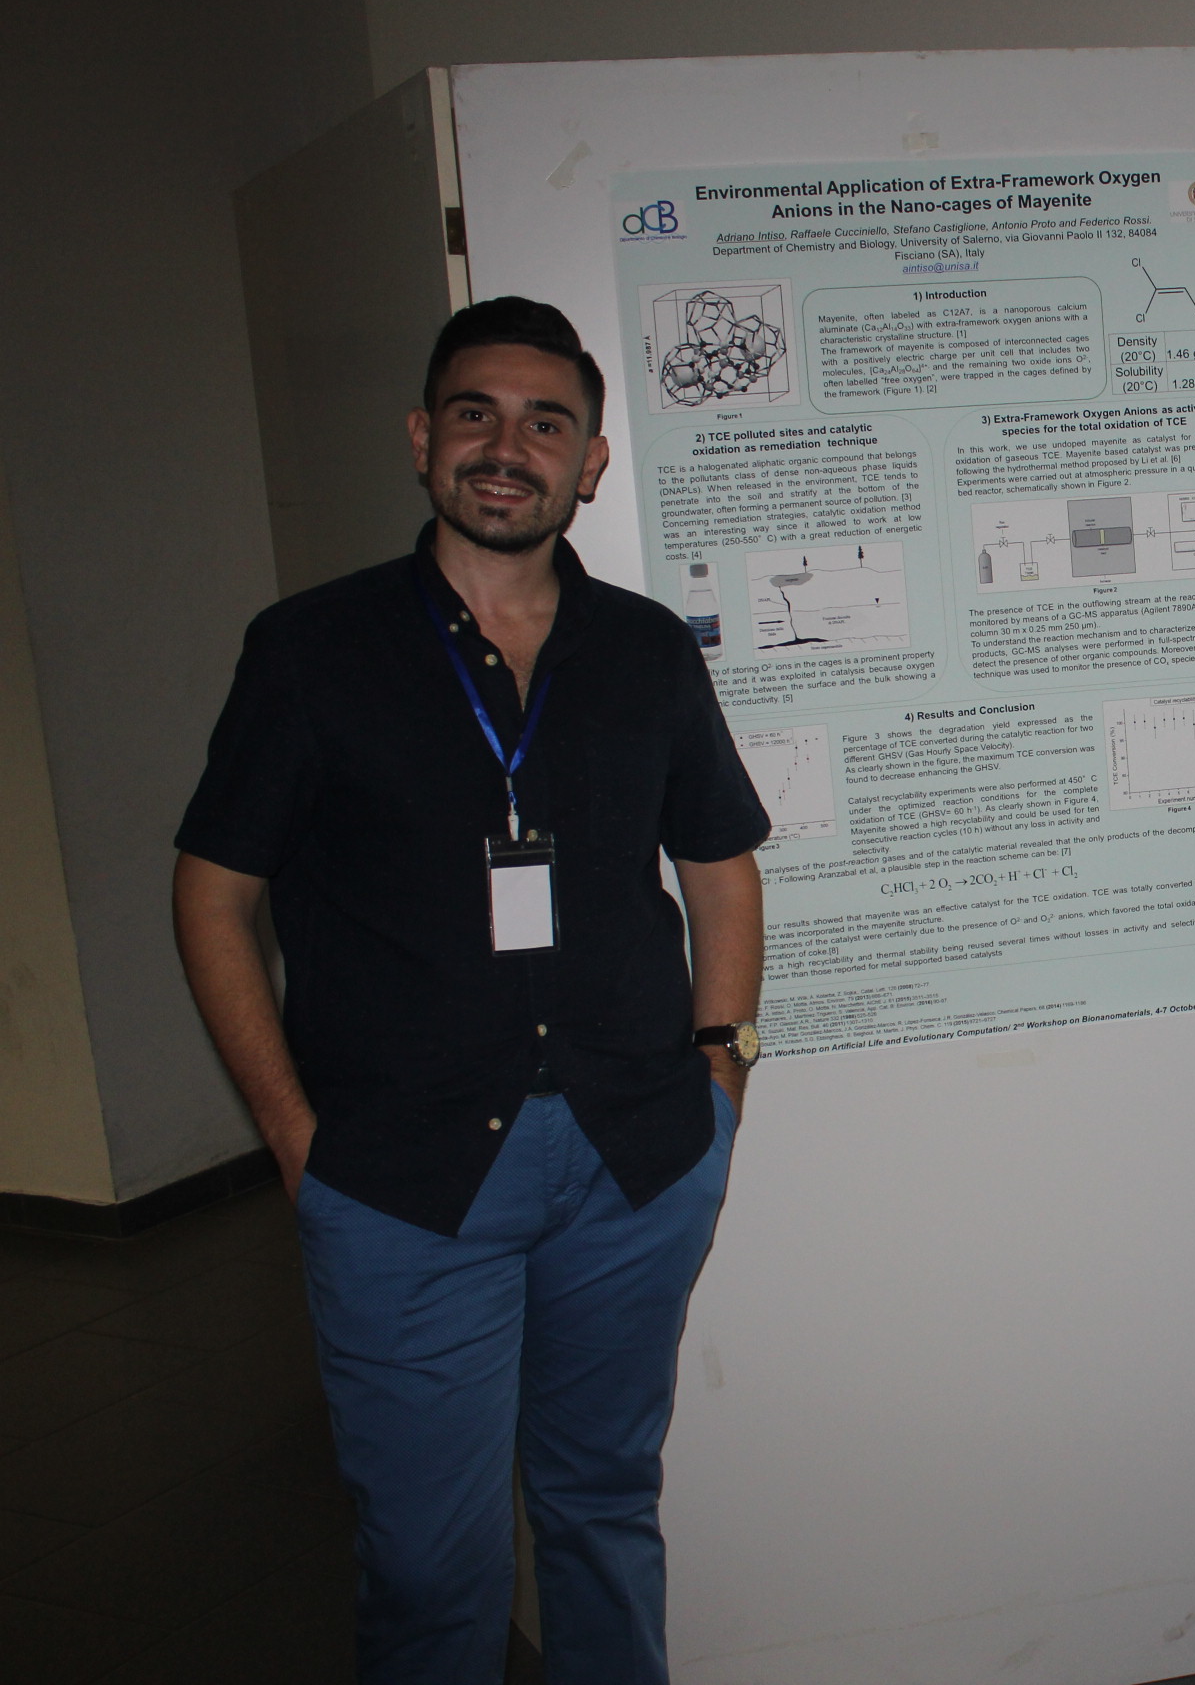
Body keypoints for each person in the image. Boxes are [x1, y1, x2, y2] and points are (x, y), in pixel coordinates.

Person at [172, 297, 771, 1683]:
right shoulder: (311, 650)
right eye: (475, 414)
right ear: (421, 438)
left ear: (590, 462)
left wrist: (722, 1076)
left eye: (546, 423)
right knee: (432, 1562)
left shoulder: (646, 650)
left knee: (605, 1507)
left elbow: (721, 870)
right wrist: (294, 1139)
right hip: (400, 1175)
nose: (509, 447)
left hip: (634, 1156)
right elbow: (213, 895)